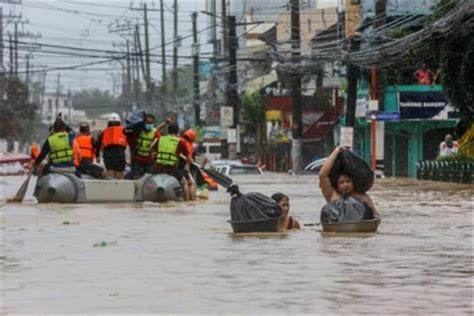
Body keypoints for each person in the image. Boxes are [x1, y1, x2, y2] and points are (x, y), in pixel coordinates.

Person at [319, 146, 380, 218]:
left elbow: (375, 215)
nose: (346, 184)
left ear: (353, 182)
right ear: (336, 185)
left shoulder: (362, 196)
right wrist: (336, 151)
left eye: (348, 181)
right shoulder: (331, 194)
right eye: (341, 182)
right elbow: (322, 175)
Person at [151, 123, 194, 201]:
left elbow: (152, 149)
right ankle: (187, 203)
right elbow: (189, 159)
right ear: (177, 132)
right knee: (184, 182)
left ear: (168, 131)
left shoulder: (160, 139)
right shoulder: (180, 142)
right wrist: (191, 161)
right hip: (171, 168)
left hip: (157, 167)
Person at [127, 114, 167, 179]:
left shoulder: (155, 132)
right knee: (136, 176)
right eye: (148, 123)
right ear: (144, 122)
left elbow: (159, 144)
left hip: (149, 159)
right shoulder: (139, 130)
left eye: (151, 123)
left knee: (149, 178)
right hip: (138, 158)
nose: (149, 124)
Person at [95, 113, 127, 179]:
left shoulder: (104, 132)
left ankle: (111, 186)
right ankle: (120, 187)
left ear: (109, 123)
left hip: (108, 153)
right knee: (120, 174)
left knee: (110, 174)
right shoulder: (124, 131)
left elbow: (97, 145)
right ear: (119, 122)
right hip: (120, 153)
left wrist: (97, 156)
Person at [180, 129, 198, 201]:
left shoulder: (178, 140)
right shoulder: (189, 145)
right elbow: (190, 161)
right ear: (191, 139)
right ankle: (190, 201)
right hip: (181, 167)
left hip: (172, 166)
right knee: (191, 183)